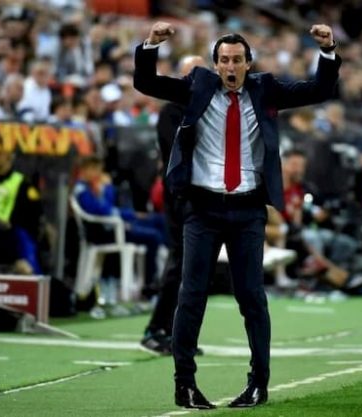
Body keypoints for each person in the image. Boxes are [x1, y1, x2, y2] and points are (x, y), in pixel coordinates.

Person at [133, 21, 341, 409]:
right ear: (215, 65)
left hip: (247, 209)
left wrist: (327, 51)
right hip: (203, 208)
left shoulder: (266, 89)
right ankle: (185, 385)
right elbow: (146, 83)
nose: (231, 67)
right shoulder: (196, 86)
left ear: (249, 63)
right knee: (191, 295)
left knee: (252, 298)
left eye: (238, 60)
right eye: (224, 60)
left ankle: (258, 384)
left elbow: (320, 89)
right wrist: (150, 45)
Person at [141, 55, 207, 355]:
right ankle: (155, 329)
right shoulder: (171, 112)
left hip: (200, 195)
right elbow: (178, 151)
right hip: (179, 197)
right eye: (190, 74)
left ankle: (177, 333)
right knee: (180, 263)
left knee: (193, 267)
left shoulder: (203, 108)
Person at [72, 155, 167, 298]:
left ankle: (165, 263)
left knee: (158, 220)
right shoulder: (82, 189)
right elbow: (102, 210)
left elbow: (109, 208)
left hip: (113, 226)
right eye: (95, 169)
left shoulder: (93, 186)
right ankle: (150, 285)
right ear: (86, 170)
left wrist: (132, 215)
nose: (99, 173)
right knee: (153, 237)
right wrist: (108, 188)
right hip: (104, 233)